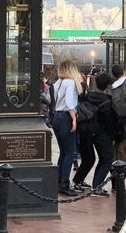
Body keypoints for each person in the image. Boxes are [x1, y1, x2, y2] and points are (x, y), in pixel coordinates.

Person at [73, 73, 117, 197]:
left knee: (90, 158)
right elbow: (109, 121)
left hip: (87, 130)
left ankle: (79, 180)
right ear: (109, 85)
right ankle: (97, 186)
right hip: (101, 132)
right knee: (106, 159)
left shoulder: (89, 96)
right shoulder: (107, 101)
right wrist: (113, 135)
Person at [52, 60, 83, 196]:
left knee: (63, 152)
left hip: (57, 117)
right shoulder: (70, 83)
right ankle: (65, 182)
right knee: (70, 152)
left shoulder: (57, 83)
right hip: (66, 117)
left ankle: (59, 181)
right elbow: (70, 102)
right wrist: (74, 118)